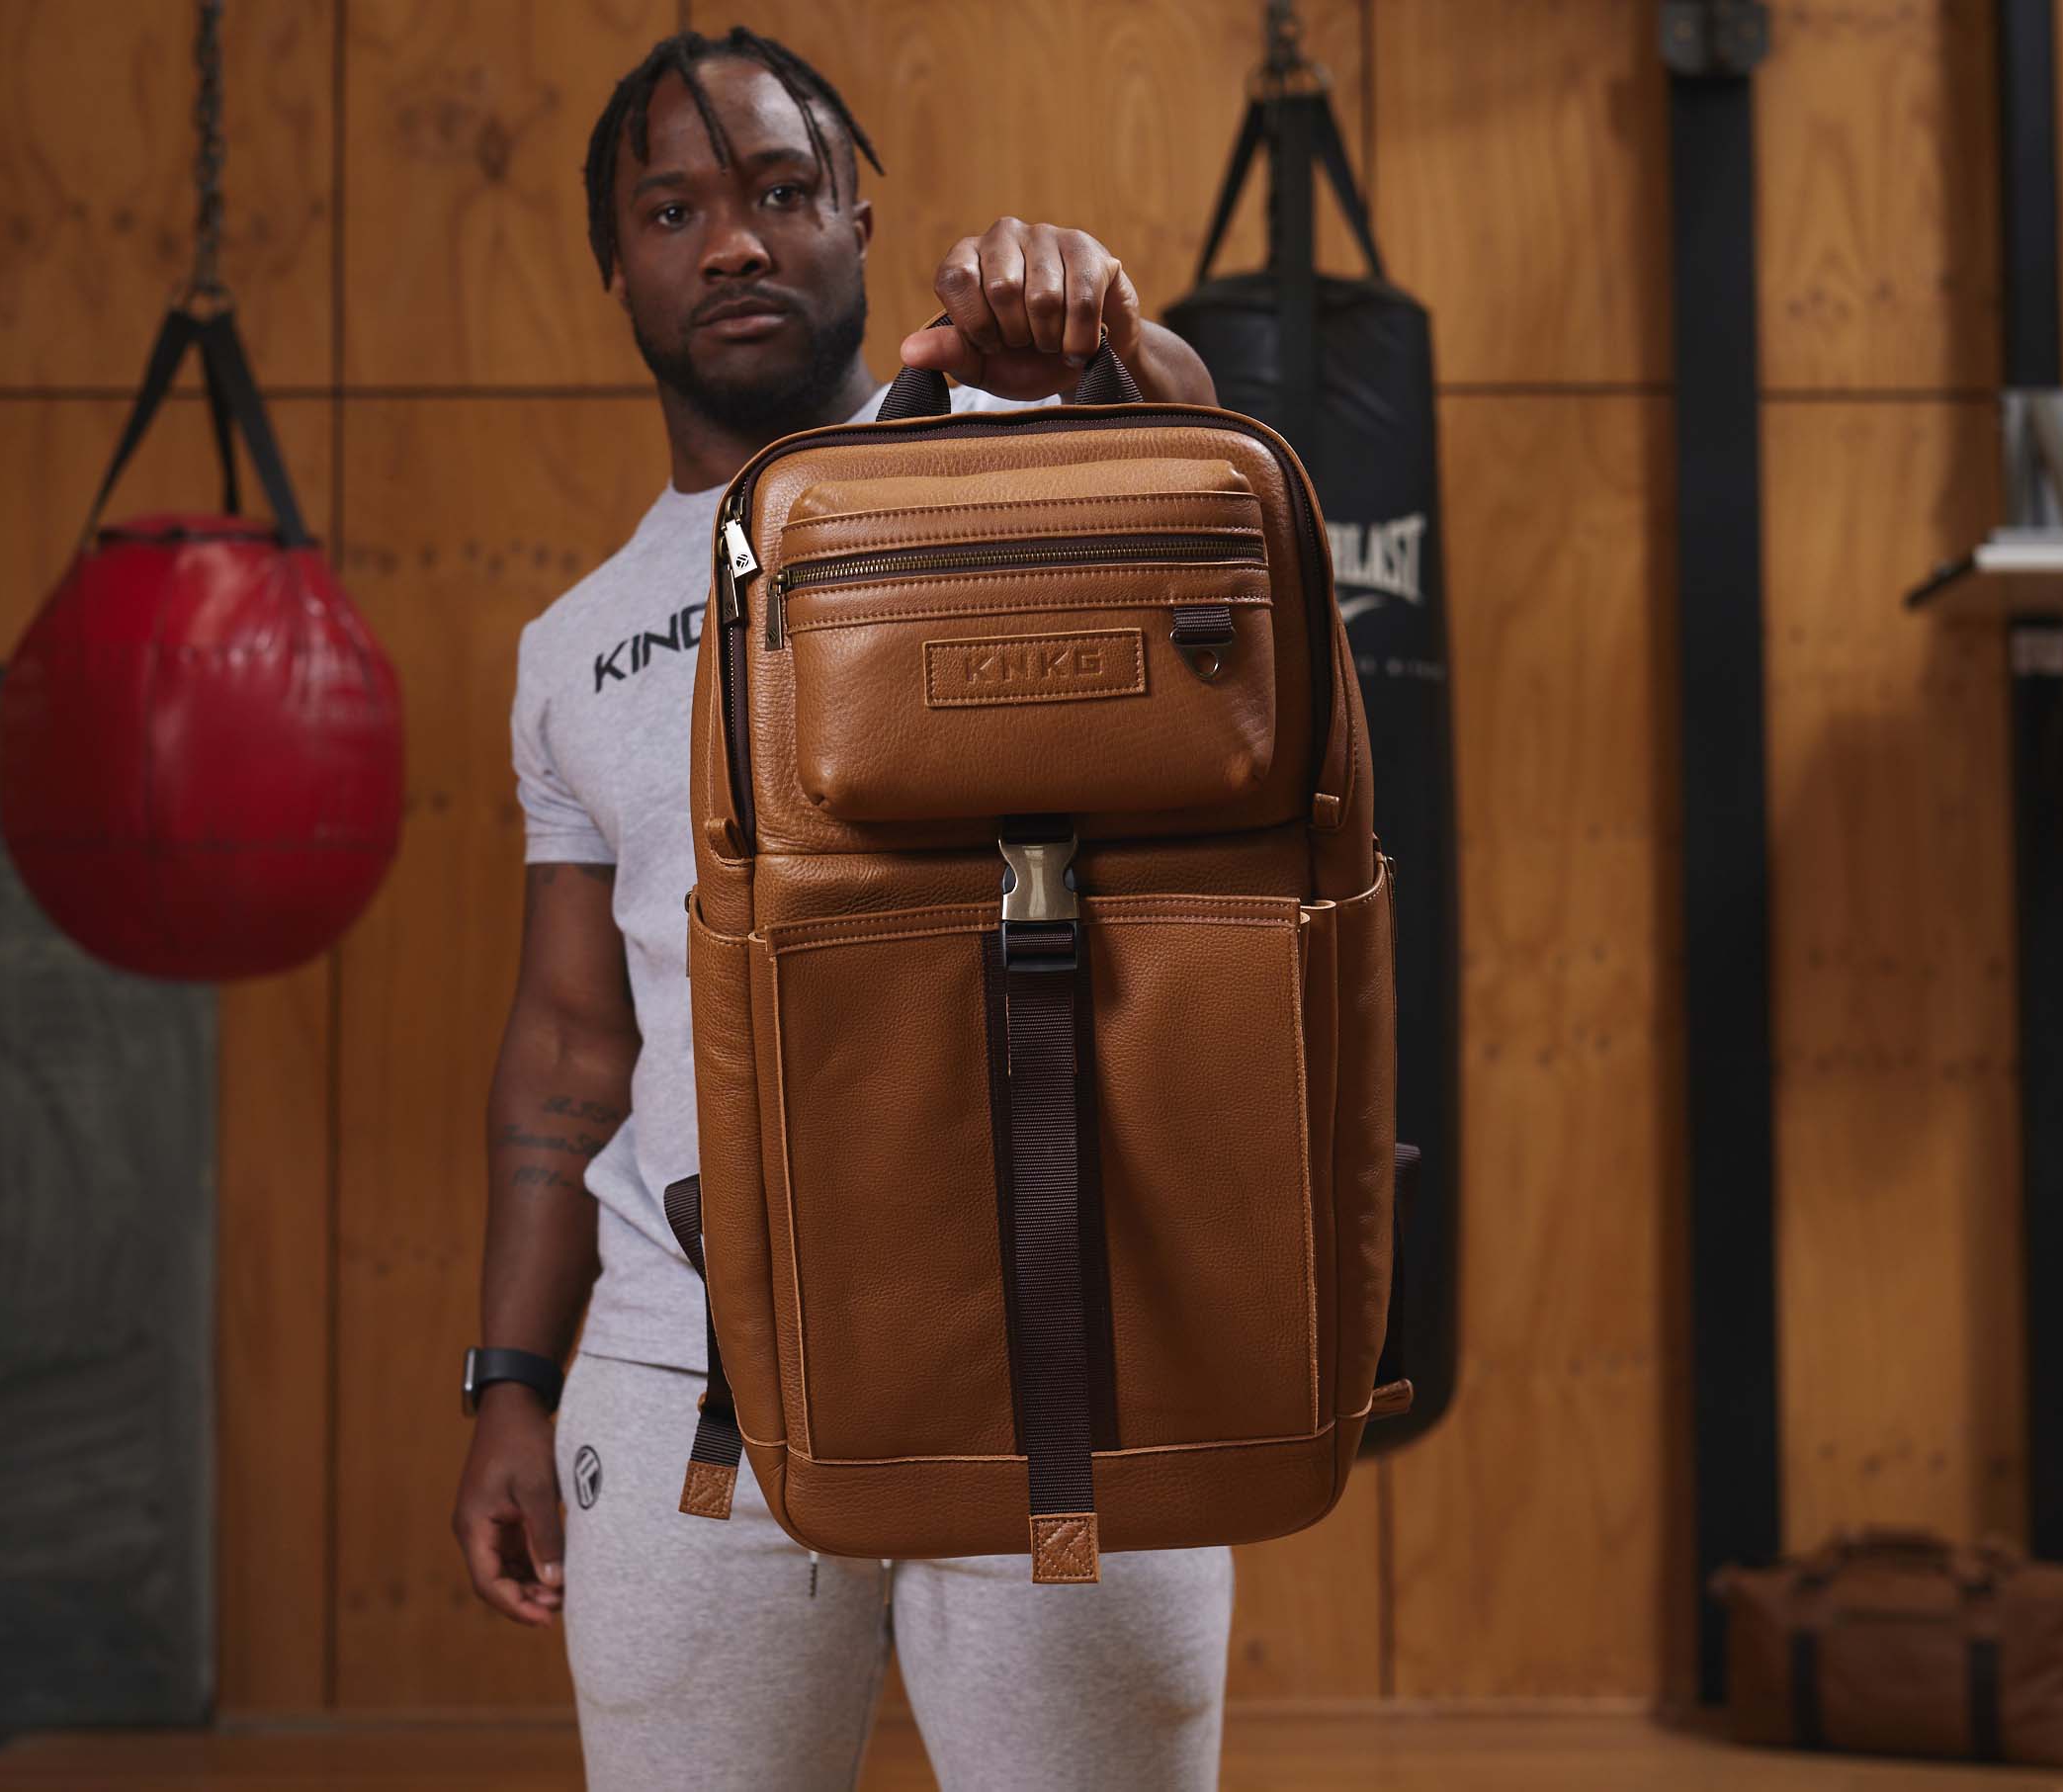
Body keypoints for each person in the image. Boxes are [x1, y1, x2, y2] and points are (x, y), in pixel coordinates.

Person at [448, 25, 1232, 1792]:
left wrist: (1115, 343)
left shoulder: (1028, 465)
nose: (730, 240)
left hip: (1055, 1341)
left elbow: (1224, 535)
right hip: (685, 1369)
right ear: (619, 266)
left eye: (780, 191)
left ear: (860, 223)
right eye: (673, 207)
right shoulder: (567, 651)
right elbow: (576, 1034)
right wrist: (508, 1370)